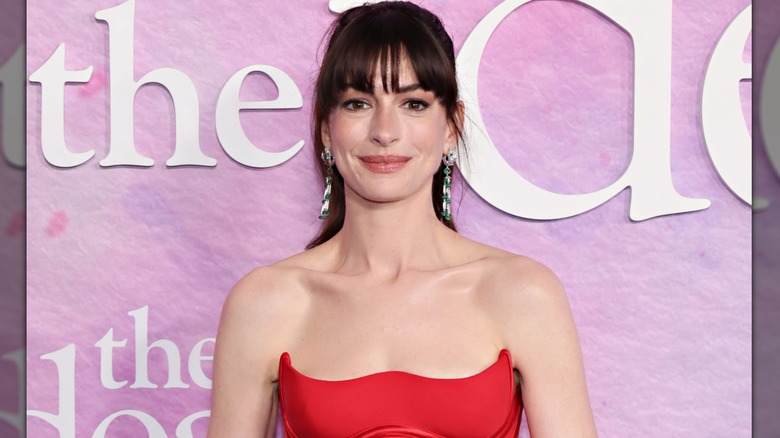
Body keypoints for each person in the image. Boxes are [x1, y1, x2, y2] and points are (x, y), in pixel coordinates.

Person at [208, 2, 597, 437]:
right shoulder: (266, 303)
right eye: (358, 103)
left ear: (451, 126)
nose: (385, 130)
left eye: (413, 103)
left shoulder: (523, 294)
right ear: (325, 130)